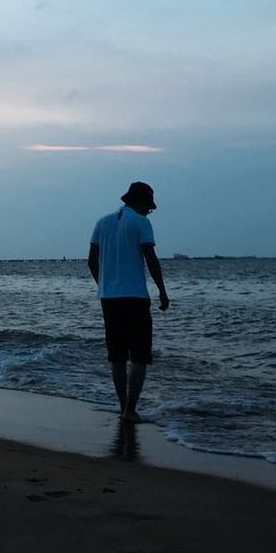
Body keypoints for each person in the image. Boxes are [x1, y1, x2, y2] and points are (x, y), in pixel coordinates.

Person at [88, 181, 169, 423]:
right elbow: (151, 258)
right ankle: (130, 409)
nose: (149, 211)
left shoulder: (102, 223)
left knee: (117, 357)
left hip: (109, 298)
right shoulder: (141, 223)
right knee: (140, 356)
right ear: (141, 203)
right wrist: (162, 291)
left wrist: (103, 283)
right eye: (149, 207)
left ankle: (123, 406)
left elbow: (92, 260)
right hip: (135, 298)